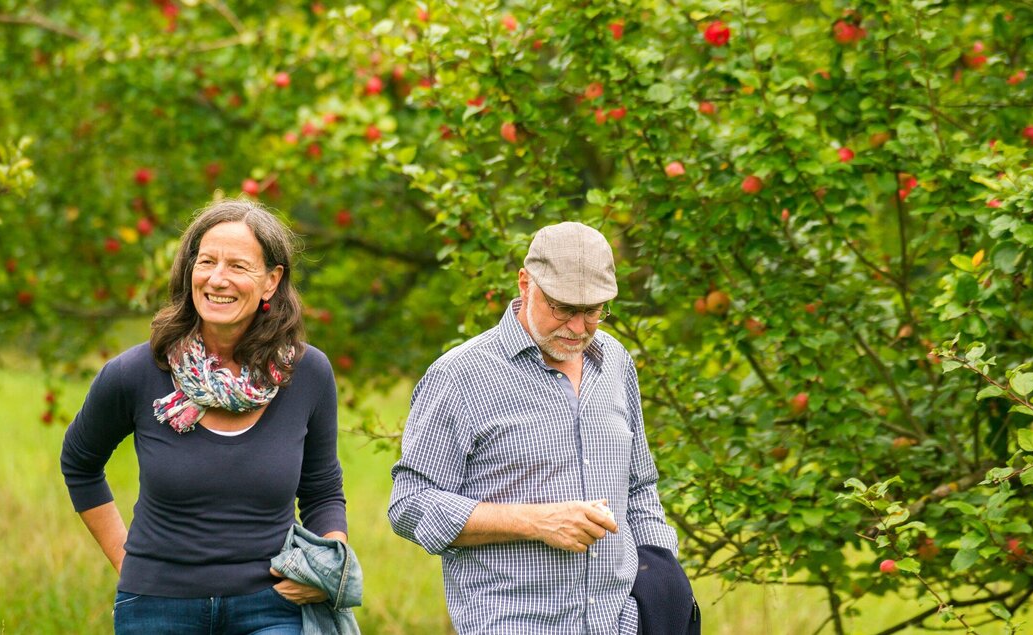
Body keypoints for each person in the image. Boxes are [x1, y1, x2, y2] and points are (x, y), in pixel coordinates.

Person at [61, 198, 348, 634]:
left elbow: (322, 490)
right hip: (157, 607)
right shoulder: (136, 374)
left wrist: (327, 568)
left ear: (271, 281)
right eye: (207, 261)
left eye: (237, 266)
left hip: (271, 609)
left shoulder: (307, 375)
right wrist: (128, 560)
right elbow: (80, 463)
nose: (218, 278)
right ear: (189, 271)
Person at [388, 221, 685, 634]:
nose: (578, 328)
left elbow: (640, 488)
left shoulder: (616, 362)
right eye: (562, 308)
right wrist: (535, 522)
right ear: (525, 284)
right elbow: (409, 505)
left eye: (593, 311)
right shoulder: (460, 376)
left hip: (619, 624)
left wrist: (667, 586)